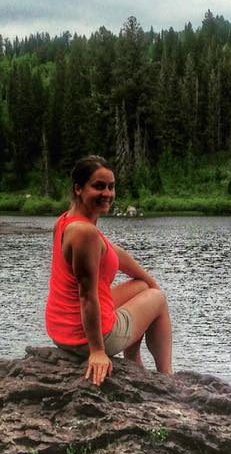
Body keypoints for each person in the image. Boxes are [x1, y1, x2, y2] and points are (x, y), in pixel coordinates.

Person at [45, 155, 173, 386]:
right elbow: (86, 296)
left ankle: (133, 359)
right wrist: (97, 351)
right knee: (158, 298)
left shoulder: (67, 221)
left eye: (111, 187)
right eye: (98, 186)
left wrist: (150, 280)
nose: (107, 194)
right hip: (85, 338)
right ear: (78, 189)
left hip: (61, 328)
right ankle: (167, 378)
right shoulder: (85, 233)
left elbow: (114, 253)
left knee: (143, 287)